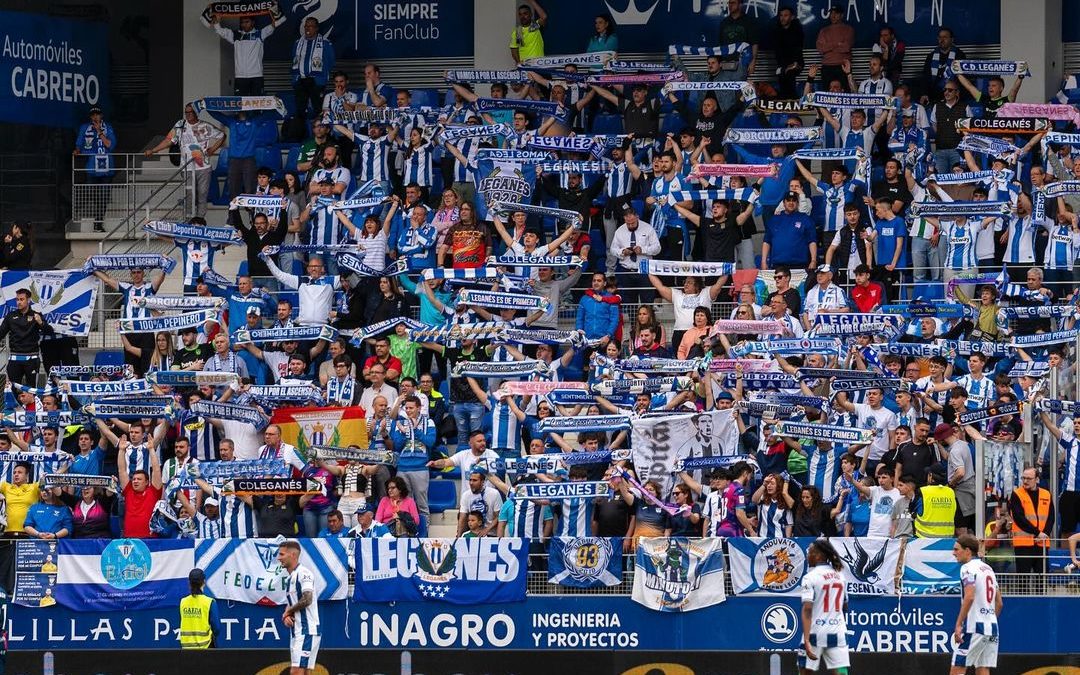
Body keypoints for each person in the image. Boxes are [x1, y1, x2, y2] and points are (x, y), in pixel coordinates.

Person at [144, 104, 225, 218]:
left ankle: (200, 221)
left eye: (191, 112)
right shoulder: (180, 125)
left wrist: (213, 149)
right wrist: (153, 150)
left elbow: (222, 135)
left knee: (202, 195)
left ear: (196, 113)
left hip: (204, 167)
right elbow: (169, 140)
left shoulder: (205, 126)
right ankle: (188, 219)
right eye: (186, 112)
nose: (189, 114)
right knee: (189, 194)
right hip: (187, 167)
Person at [950, 534, 1002, 675]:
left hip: (975, 626)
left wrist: (959, 624)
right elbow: (999, 603)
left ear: (968, 551)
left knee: (958, 668)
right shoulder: (988, 569)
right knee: (983, 668)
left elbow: (970, 596)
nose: (954, 553)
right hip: (992, 627)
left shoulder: (967, 568)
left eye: (956, 549)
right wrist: (990, 618)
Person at [799, 539, 849, 675]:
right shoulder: (840, 576)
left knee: (805, 671)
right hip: (838, 632)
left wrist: (807, 639)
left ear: (818, 556)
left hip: (815, 632)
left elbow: (807, 609)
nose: (808, 554)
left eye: (810, 552)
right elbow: (845, 605)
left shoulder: (810, 577)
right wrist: (836, 619)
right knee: (840, 671)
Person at [205, 10, 284, 94]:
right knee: (241, 105)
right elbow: (220, 31)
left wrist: (274, 12)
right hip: (240, 76)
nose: (244, 24)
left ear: (253, 22)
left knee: (257, 104)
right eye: (242, 22)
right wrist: (216, 21)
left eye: (247, 22)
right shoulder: (236, 35)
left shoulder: (260, 34)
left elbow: (274, 25)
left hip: (256, 76)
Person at [278, 539, 320, 674]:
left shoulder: (304, 573)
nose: (279, 558)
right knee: (305, 672)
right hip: (298, 631)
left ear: (293, 555)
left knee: (296, 671)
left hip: (306, 630)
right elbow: (291, 604)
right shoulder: (291, 577)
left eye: (282, 554)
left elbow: (307, 599)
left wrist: (288, 611)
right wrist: (286, 615)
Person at [73, 106, 116, 232]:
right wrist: (77, 151)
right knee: (91, 193)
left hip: (107, 168)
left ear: (101, 115)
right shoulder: (84, 128)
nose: (95, 117)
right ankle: (94, 217)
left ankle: (98, 223)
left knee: (104, 196)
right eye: (93, 115)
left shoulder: (108, 127)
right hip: (92, 168)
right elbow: (79, 145)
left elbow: (110, 145)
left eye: (97, 114)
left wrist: (100, 132)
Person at [0, 287, 54, 385]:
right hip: (14, 358)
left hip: (32, 358)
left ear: (28, 300)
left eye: (21, 299)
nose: (19, 302)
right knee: (13, 390)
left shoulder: (36, 315)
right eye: (17, 299)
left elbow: (49, 332)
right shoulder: (11, 316)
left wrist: (40, 322)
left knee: (32, 389)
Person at [1009, 466, 1053, 577]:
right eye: (1023, 478)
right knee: (1023, 579)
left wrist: (1045, 534)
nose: (1025, 481)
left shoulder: (1046, 494)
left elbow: (1051, 517)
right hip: (1023, 544)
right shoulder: (1016, 494)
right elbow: (1019, 518)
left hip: (1041, 543)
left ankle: (1041, 594)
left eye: (1029, 478)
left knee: (1042, 579)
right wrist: (1038, 533)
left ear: (1037, 480)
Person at [118, 434, 163, 538]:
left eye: (139, 479)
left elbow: (156, 470)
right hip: (129, 538)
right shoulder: (128, 490)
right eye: (133, 479)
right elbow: (122, 470)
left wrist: (151, 449)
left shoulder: (153, 491)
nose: (135, 481)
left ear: (147, 482)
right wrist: (121, 451)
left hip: (149, 538)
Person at [291, 17, 335, 120]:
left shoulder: (325, 43)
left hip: (317, 82)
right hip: (300, 80)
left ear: (316, 28)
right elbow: (294, 58)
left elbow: (331, 61)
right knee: (300, 110)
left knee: (318, 109)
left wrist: (321, 76)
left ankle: (320, 133)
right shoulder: (298, 43)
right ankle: (300, 133)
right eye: (306, 26)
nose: (307, 28)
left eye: (310, 26)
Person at [179, 568, 221, 650]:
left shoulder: (183, 602)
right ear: (204, 582)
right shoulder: (209, 602)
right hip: (205, 647)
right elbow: (216, 629)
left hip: (186, 648)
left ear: (189, 583)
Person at [509, 0, 547, 64]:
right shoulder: (517, 32)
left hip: (539, 64)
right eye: (520, 14)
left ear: (531, 14)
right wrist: (518, 63)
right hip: (525, 66)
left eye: (525, 13)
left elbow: (544, 17)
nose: (522, 17)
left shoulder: (535, 26)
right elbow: (514, 51)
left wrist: (532, 1)